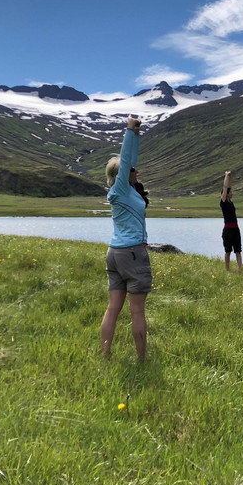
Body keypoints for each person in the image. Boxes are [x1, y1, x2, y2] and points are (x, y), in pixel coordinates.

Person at [100, 115, 150, 359]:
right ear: (121, 174)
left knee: (113, 309)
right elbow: (127, 157)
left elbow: (131, 159)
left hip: (115, 253)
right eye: (131, 169)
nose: (136, 170)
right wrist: (129, 129)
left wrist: (137, 134)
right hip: (132, 253)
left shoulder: (125, 192)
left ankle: (105, 355)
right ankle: (142, 359)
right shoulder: (120, 188)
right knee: (137, 312)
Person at [220, 171, 243, 272]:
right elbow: (225, 188)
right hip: (228, 230)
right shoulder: (223, 202)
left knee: (238, 251)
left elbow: (229, 187)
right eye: (230, 193)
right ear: (225, 195)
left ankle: (240, 269)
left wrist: (230, 177)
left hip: (235, 229)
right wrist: (226, 176)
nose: (231, 193)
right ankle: (227, 270)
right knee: (228, 251)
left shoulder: (230, 202)